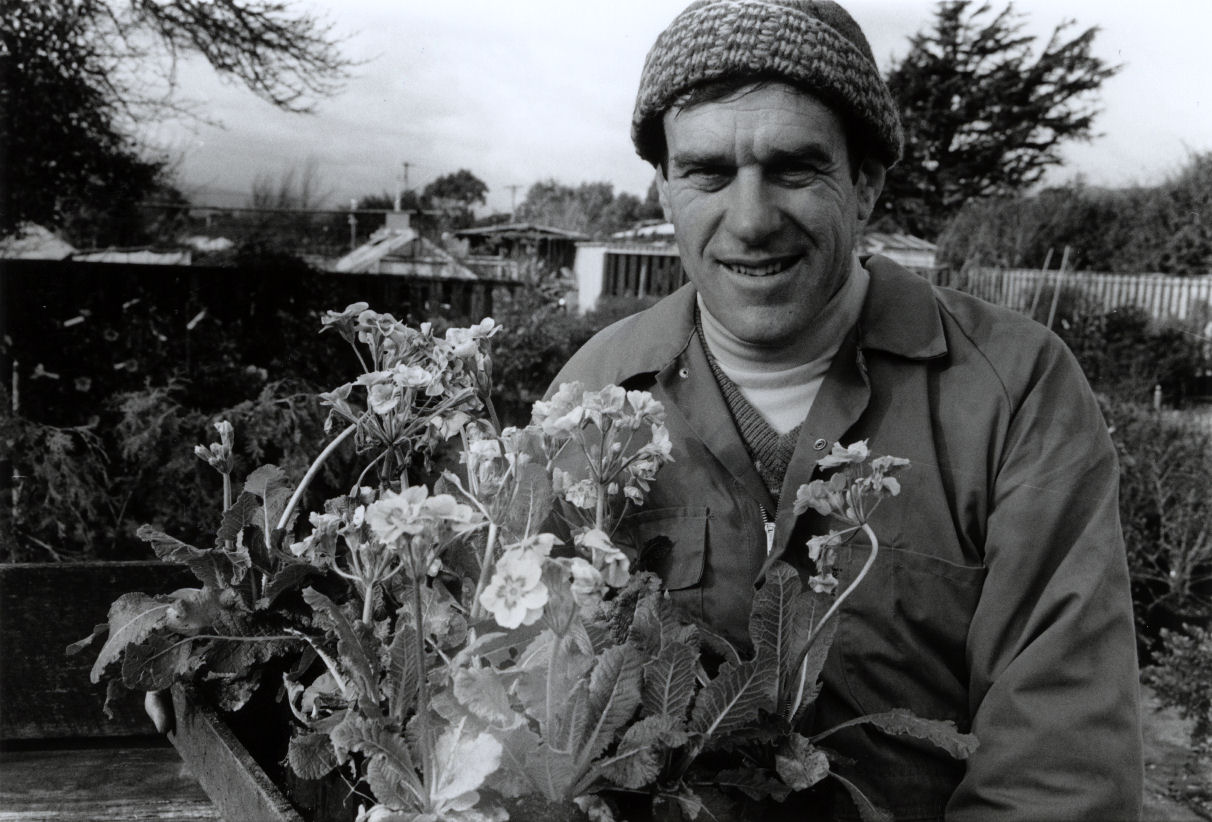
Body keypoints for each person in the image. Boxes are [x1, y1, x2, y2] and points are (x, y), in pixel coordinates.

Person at [548, 0, 1144, 818]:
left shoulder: (1015, 391)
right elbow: (533, 711)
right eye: (708, 172)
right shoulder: (588, 398)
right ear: (664, 189)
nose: (751, 220)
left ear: (865, 183)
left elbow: (1060, 767)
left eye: (795, 168)